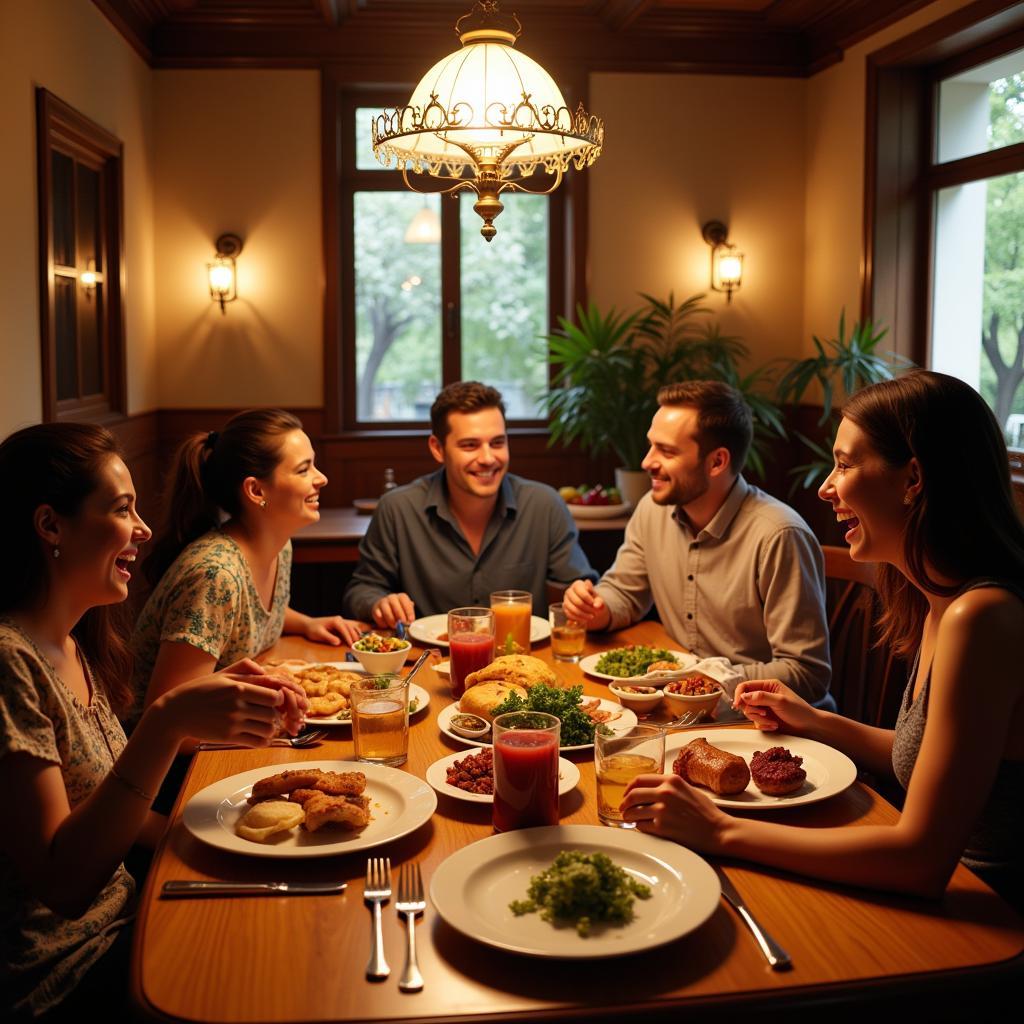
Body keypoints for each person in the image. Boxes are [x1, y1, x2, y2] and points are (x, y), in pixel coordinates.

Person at [621, 370, 1024, 909]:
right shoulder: (941, 602)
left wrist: (720, 830)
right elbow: (930, 756)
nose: (825, 487)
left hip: (983, 910)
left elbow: (920, 859)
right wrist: (818, 722)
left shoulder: (982, 614)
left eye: (845, 463)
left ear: (912, 479)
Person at [0, 424, 308, 1018]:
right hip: (64, 972)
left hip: (131, 911)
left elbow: (110, 809)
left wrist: (203, 837)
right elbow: (64, 887)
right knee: (285, 973)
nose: (143, 529)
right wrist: (165, 724)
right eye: (122, 509)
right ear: (50, 526)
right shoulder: (11, 660)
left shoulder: (74, 641)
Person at [564, 380, 832, 705]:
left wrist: (708, 680)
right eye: (651, 446)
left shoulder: (779, 535)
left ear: (717, 462)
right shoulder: (652, 508)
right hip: (682, 708)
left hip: (763, 722)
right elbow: (624, 591)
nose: (647, 461)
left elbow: (807, 674)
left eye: (667, 451)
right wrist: (598, 609)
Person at [134, 409, 359, 717]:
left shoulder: (279, 547)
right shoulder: (215, 575)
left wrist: (306, 623)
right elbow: (166, 715)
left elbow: (240, 617)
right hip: (174, 758)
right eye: (304, 470)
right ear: (256, 490)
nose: (322, 478)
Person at [343, 381, 597, 626]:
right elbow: (361, 590)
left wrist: (581, 596)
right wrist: (379, 603)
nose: (487, 458)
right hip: (429, 661)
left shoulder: (545, 505)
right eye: (470, 445)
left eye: (497, 443)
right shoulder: (398, 508)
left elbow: (577, 586)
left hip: (521, 662)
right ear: (437, 449)